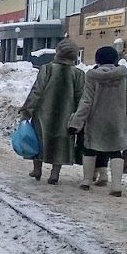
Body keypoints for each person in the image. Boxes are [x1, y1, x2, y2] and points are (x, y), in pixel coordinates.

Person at [68, 45, 127, 197]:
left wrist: (76, 122)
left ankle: (86, 181)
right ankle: (116, 186)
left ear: (98, 59)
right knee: (116, 152)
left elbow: (86, 102)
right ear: (116, 59)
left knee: (89, 149)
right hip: (117, 122)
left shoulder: (92, 76)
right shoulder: (124, 77)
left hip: (96, 121)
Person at [18, 38, 84, 184]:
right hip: (66, 114)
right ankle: (54, 175)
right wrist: (80, 116)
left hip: (43, 113)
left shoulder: (47, 69)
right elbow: (81, 96)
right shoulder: (78, 74)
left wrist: (27, 110)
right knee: (61, 143)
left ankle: (37, 169)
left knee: (39, 140)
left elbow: (37, 90)